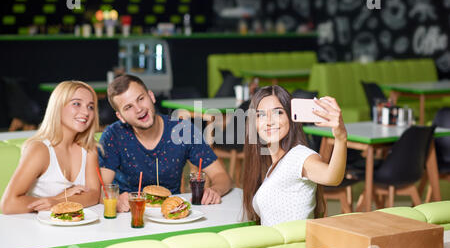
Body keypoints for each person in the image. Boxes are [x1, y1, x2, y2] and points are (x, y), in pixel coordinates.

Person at [98, 74, 232, 212]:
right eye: (128, 107)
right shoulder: (113, 135)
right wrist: (115, 200)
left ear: (151, 96)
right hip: (129, 214)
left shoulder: (182, 130)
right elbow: (101, 190)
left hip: (172, 212)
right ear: (121, 117)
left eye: (141, 99)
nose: (139, 109)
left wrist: (214, 190)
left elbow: (221, 176)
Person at [242, 85, 347, 226]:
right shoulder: (273, 165)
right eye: (261, 115)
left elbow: (332, 177)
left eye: (278, 113)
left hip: (293, 246)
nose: (268, 121)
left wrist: (341, 137)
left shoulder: (299, 156)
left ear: (291, 118)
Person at [0, 81, 101, 214]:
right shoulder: (40, 150)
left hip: (73, 227)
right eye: (76, 104)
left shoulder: (89, 148)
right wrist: (56, 199)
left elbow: (94, 195)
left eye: (90, 107)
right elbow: (8, 204)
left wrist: (59, 202)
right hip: (35, 228)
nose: (86, 112)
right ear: (58, 106)